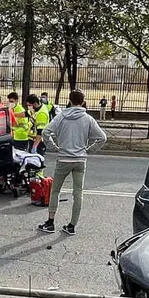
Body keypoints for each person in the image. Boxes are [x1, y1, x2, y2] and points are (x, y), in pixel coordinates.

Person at [37, 90, 107, 236]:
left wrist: (54, 147)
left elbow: (45, 132)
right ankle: (72, 226)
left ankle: (50, 223)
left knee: (55, 191)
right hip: (80, 160)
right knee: (78, 193)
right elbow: (102, 138)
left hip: (63, 158)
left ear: (69, 100)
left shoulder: (61, 116)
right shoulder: (88, 119)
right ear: (83, 101)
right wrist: (88, 150)